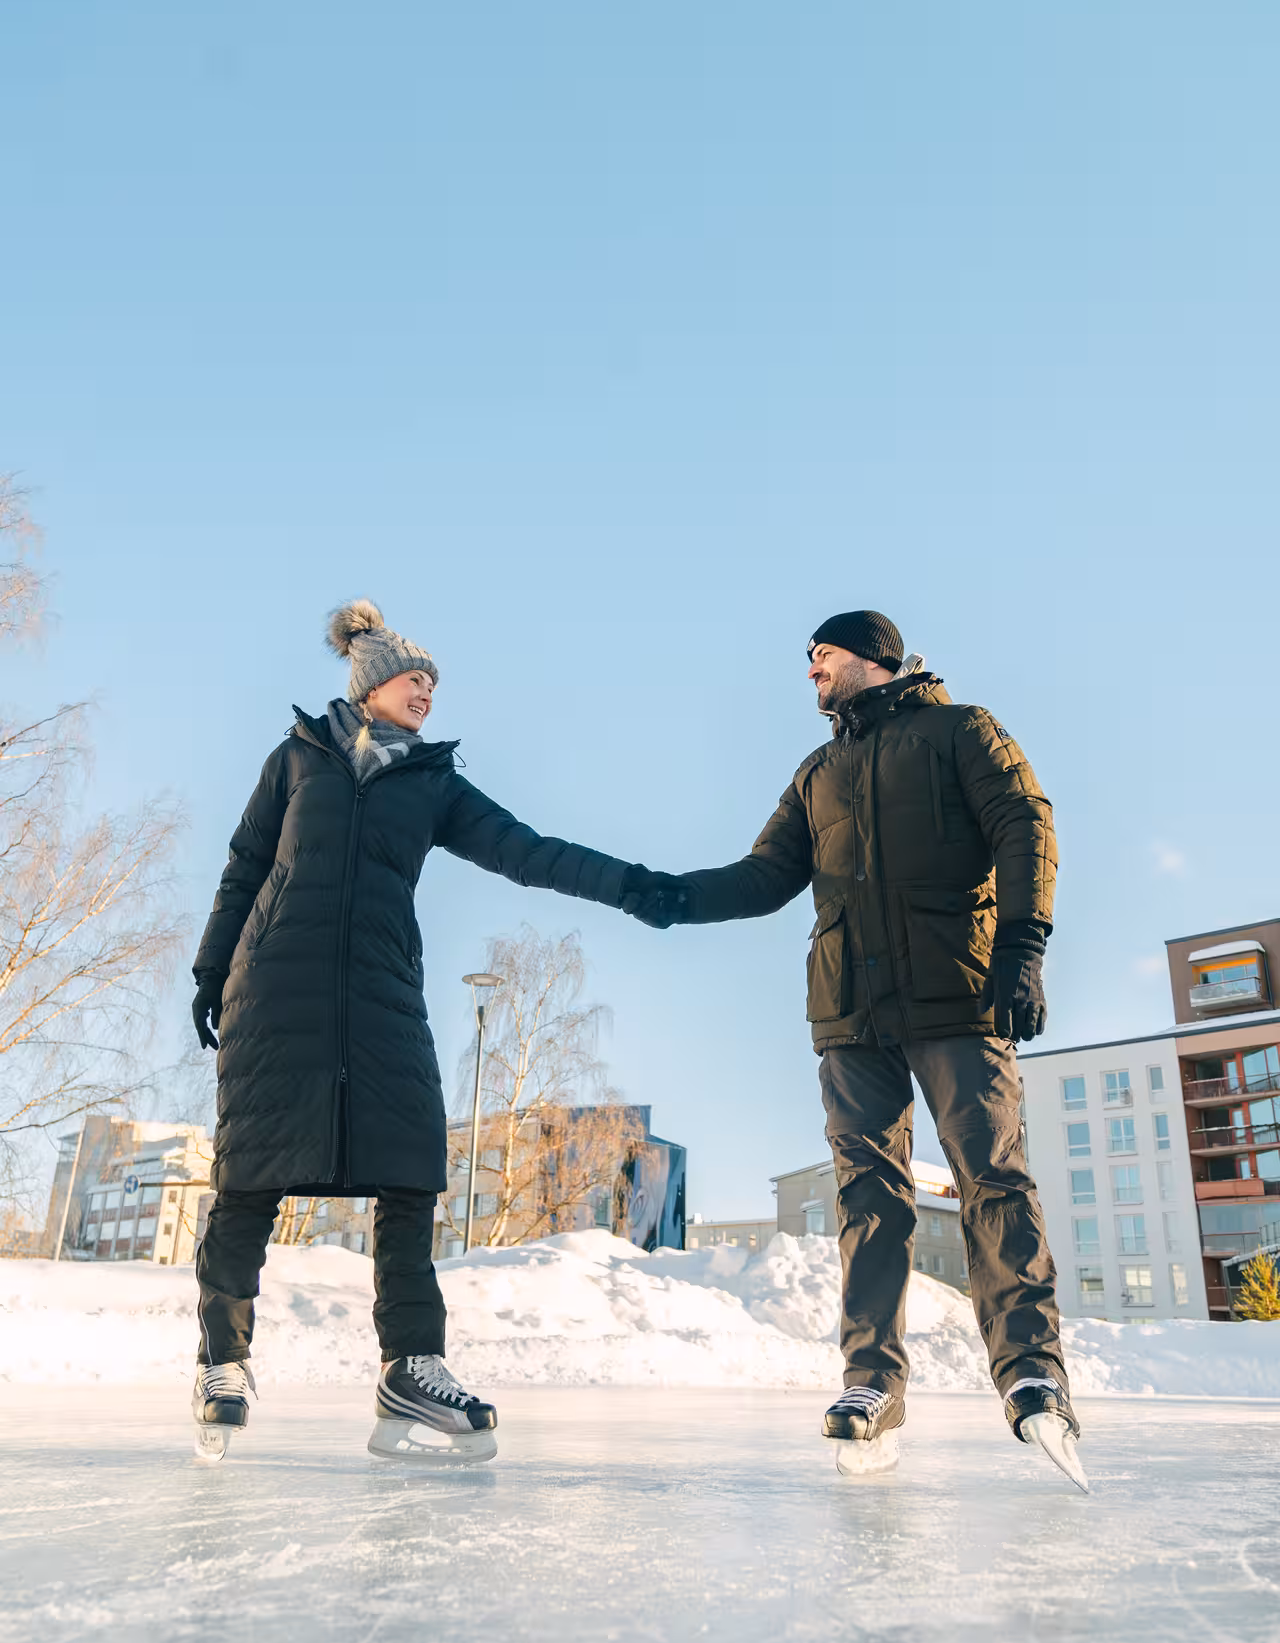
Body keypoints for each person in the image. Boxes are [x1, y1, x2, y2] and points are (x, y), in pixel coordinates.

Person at [621, 611, 1087, 1490]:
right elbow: (765, 876)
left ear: (873, 657)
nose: (810, 673)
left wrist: (1023, 950)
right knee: (869, 1200)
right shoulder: (819, 772)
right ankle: (871, 1384)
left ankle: (1032, 1369)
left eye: (821, 656)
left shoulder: (960, 731)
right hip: (849, 1011)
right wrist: (670, 897)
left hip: (957, 990)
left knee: (993, 1175)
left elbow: (1026, 826)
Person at [190, 598, 657, 1463]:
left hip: (381, 996)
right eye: (416, 679)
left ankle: (411, 1366)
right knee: (248, 1177)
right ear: (371, 685)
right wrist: (210, 971)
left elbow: (529, 850)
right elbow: (244, 865)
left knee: (411, 1176)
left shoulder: (434, 784)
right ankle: (223, 1361)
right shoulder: (296, 761)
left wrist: (633, 885)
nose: (428, 694)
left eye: (435, 684)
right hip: (276, 994)